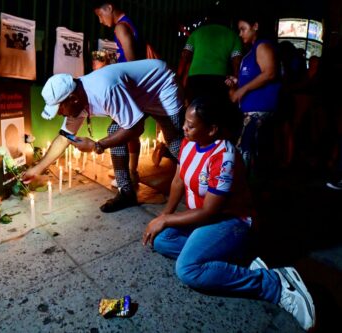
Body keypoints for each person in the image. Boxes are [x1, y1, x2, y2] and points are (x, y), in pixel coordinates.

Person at [142, 97, 315, 331]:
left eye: (191, 125)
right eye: (185, 122)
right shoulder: (187, 143)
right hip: (202, 218)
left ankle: (274, 284)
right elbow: (177, 180)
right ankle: (238, 260)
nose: (184, 128)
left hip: (231, 221)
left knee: (188, 270)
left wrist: (166, 219)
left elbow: (210, 211)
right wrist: (164, 215)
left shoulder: (223, 156)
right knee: (161, 239)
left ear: (212, 129)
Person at [22, 59, 184, 213]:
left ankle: (200, 186)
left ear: (73, 99)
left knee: (175, 142)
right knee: (115, 132)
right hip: (135, 93)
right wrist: (38, 168)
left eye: (60, 109)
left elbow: (136, 128)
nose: (60, 114)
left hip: (161, 85)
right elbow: (64, 137)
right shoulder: (77, 97)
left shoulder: (105, 90)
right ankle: (126, 192)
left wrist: (97, 146)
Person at [92, 0, 147, 188]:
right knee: (130, 132)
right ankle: (132, 171)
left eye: (100, 14)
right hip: (137, 88)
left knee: (117, 132)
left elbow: (132, 64)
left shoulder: (120, 27)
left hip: (131, 88)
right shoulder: (130, 23)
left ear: (109, 7)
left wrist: (106, 68)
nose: (100, 20)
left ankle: (125, 180)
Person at [225, 13, 281, 181]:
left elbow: (270, 73)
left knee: (244, 153)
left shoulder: (262, 46)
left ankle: (245, 195)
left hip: (259, 111)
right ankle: (250, 193)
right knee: (250, 154)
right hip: (250, 111)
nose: (240, 34)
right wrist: (236, 83)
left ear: (255, 26)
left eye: (243, 29)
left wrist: (242, 90)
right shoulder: (251, 52)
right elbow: (255, 77)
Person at [176, 6, 242, 105]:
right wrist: (236, 81)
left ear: (208, 18)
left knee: (195, 109)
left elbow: (185, 55)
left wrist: (180, 76)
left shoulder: (196, 33)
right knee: (215, 110)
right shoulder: (233, 35)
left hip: (195, 78)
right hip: (220, 78)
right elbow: (237, 61)